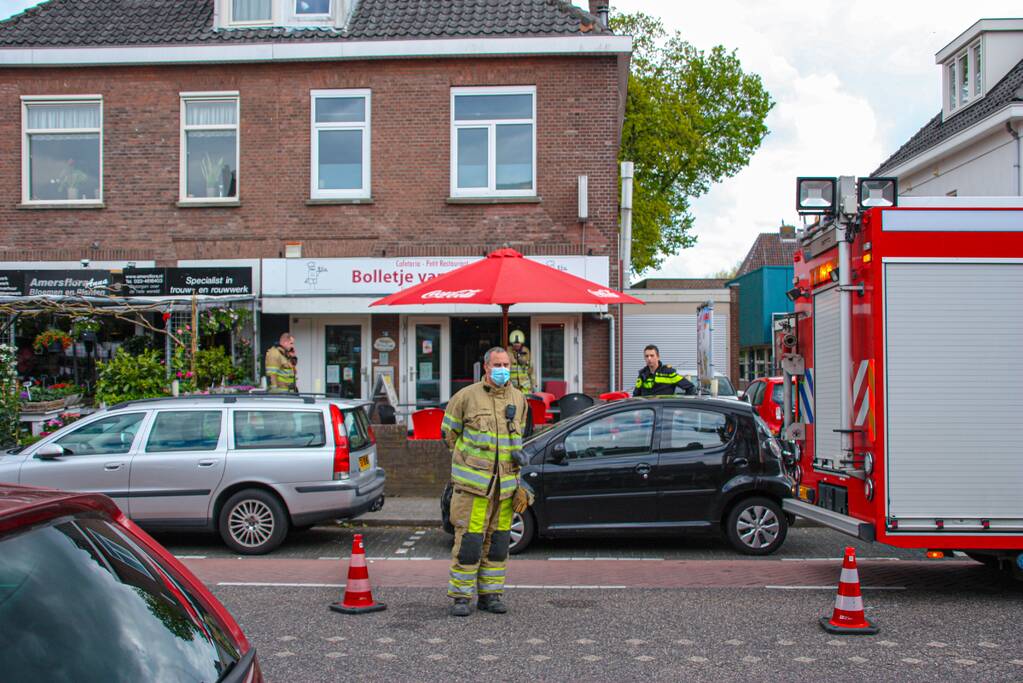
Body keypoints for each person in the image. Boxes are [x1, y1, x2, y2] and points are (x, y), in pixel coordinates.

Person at [441, 346, 532, 617]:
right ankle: (460, 597)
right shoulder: (465, 397)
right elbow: (449, 435)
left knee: (499, 543)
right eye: (497, 364)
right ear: (486, 367)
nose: (503, 369)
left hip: (505, 489)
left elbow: (519, 438)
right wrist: (468, 463)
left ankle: (490, 596)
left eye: (506, 364)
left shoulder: (519, 398)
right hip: (473, 489)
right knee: (469, 542)